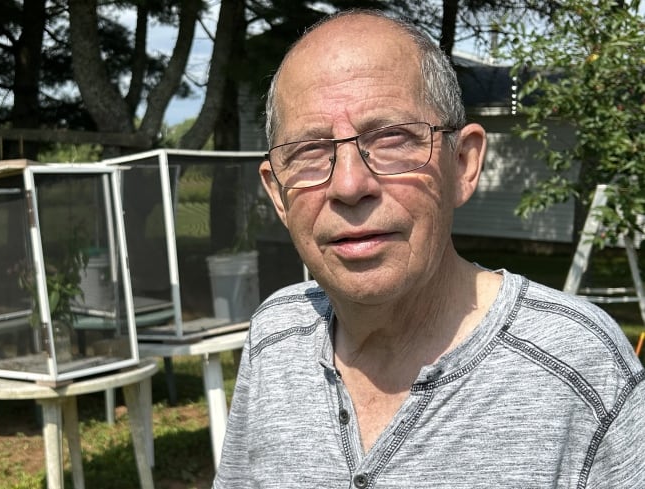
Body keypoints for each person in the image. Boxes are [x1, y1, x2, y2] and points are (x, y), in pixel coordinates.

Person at [213, 9, 645, 488]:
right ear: (277, 194)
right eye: (310, 152)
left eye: (392, 139)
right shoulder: (275, 339)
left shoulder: (579, 367)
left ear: (462, 163)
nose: (350, 185)